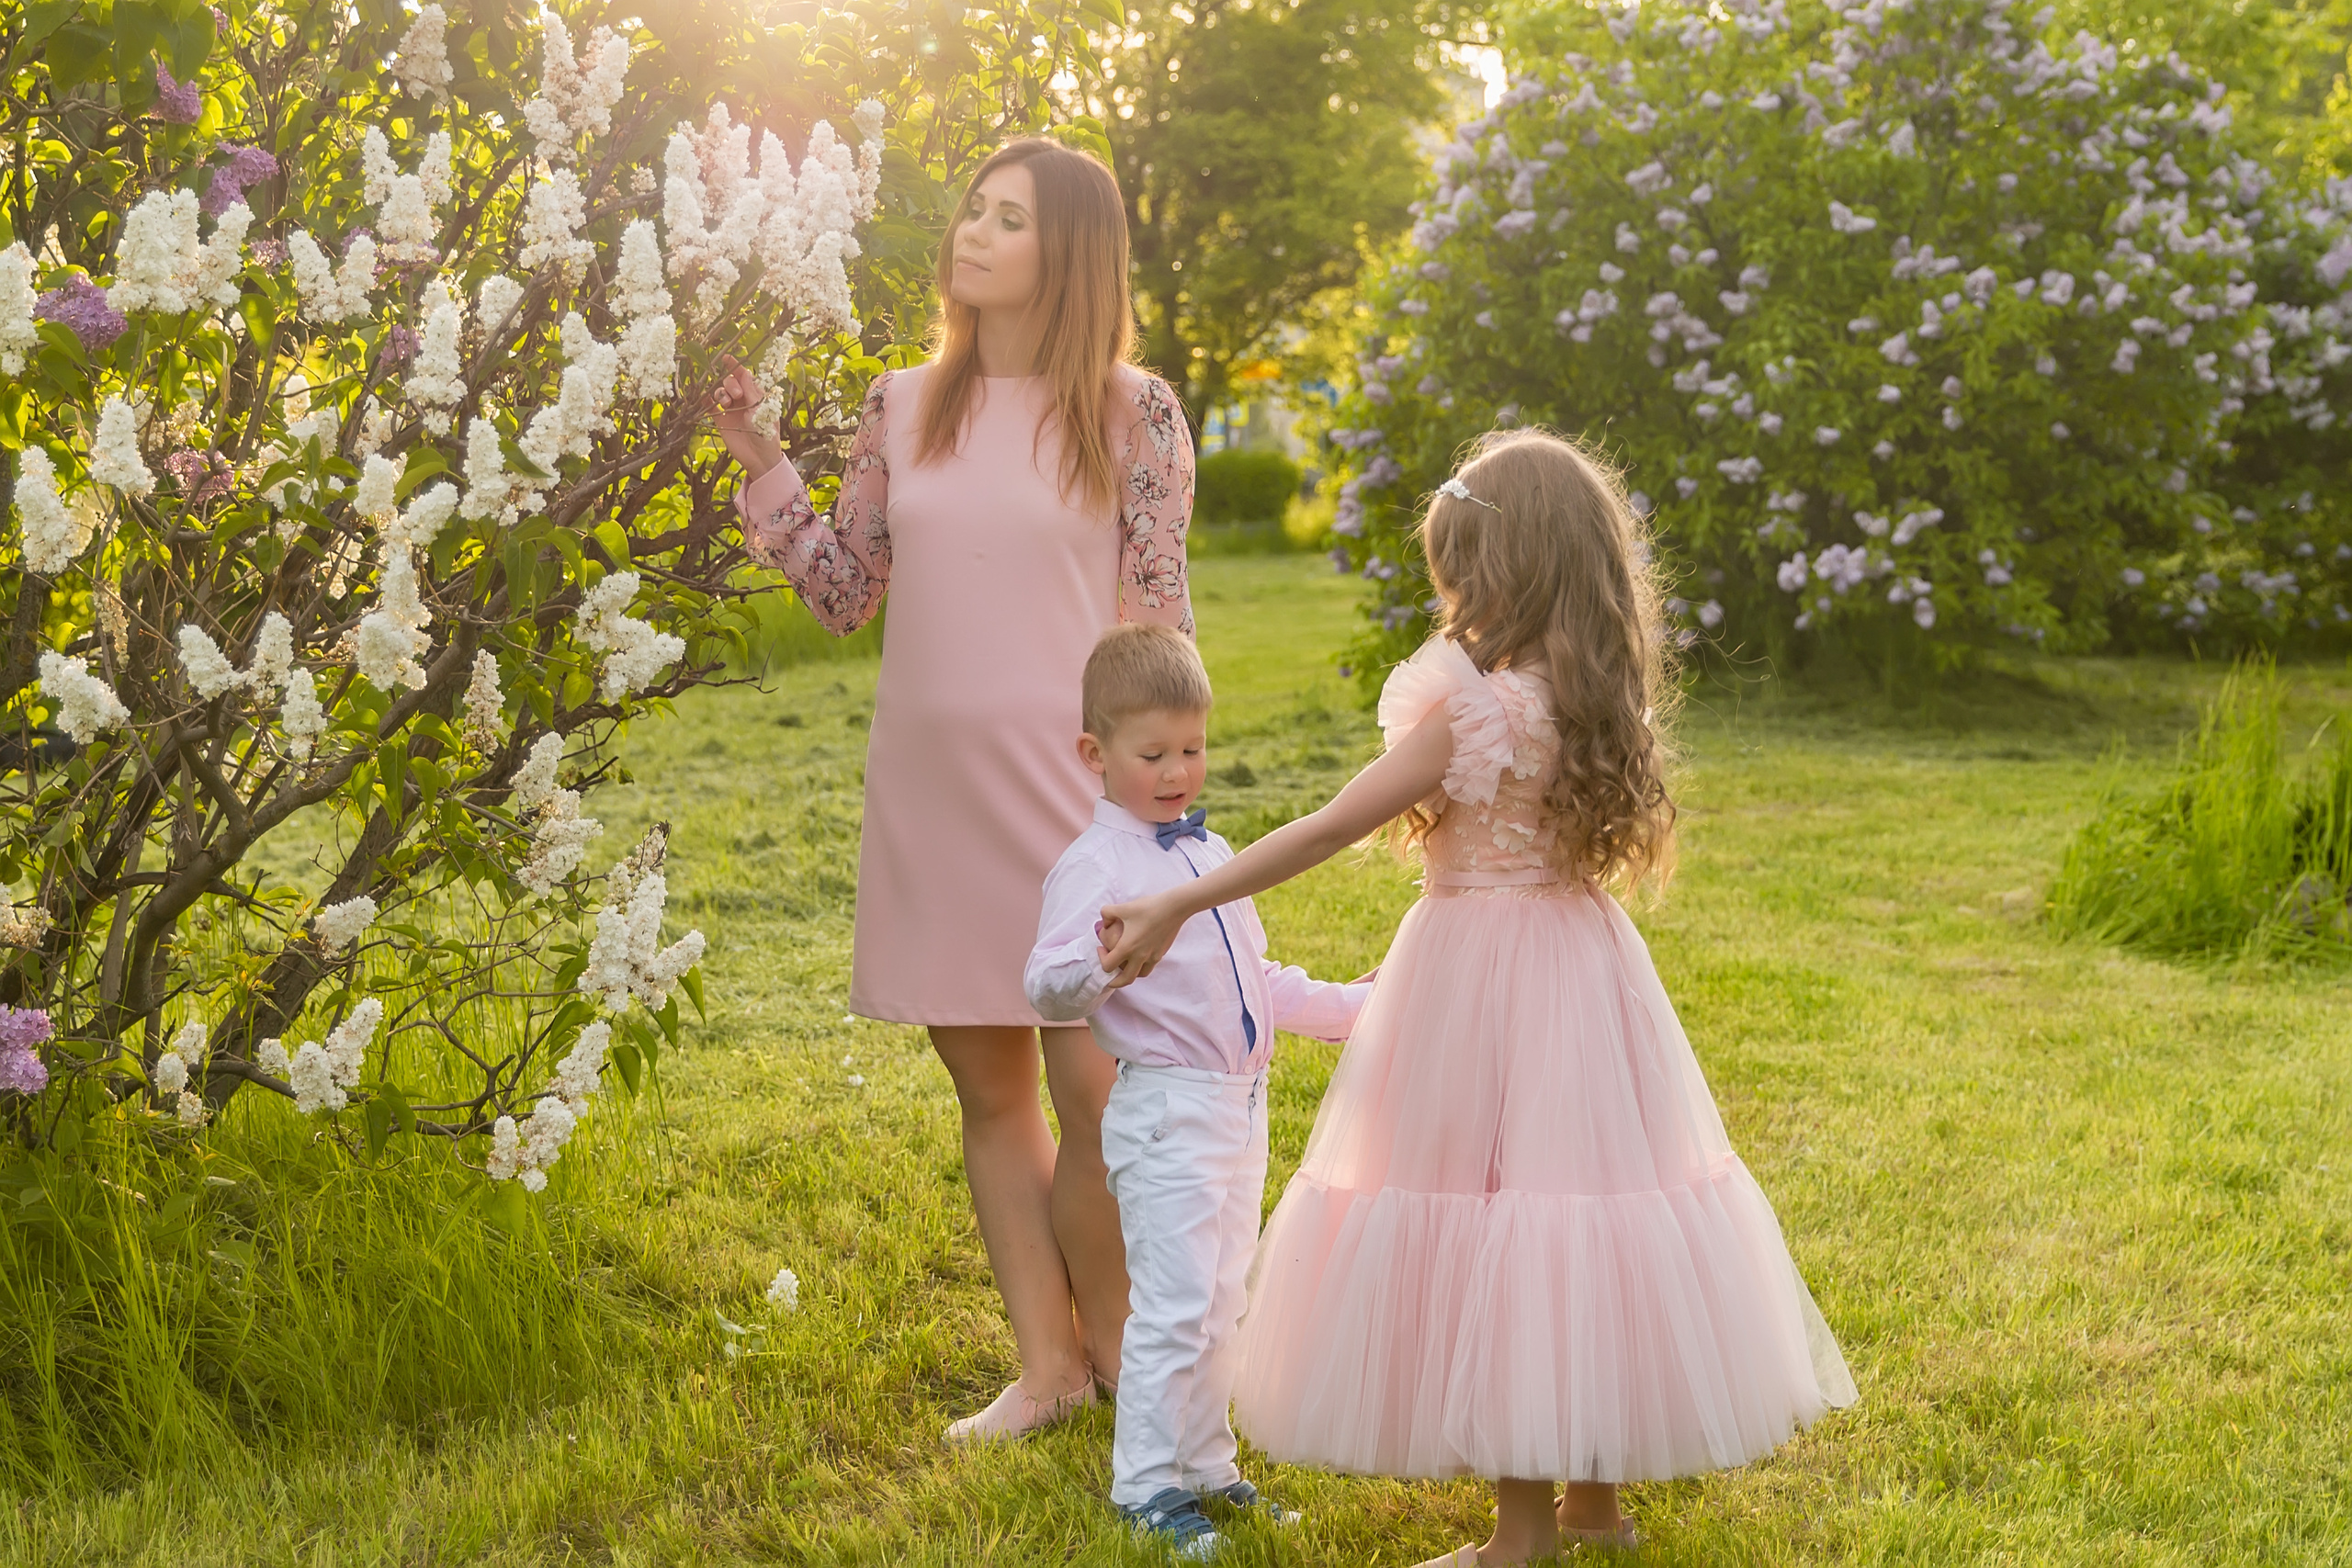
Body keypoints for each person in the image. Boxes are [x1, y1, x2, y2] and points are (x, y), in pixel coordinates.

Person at [1097, 429, 1857, 1564]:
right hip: (1584, 971)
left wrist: (1177, 902)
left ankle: (1519, 1537)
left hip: (1479, 978)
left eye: (1458, 578)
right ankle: (1594, 1512)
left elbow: (1330, 825)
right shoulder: (1595, 696)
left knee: (1506, 1220)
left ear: (1504, 575)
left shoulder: (1476, 711)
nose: (1450, 603)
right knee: (1588, 1212)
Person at [707, 138, 1196, 1441]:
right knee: (991, 1092)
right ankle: (1047, 1367)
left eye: (1010, 218)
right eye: (973, 211)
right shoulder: (903, 402)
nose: (973, 233)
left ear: (1070, 251)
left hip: (1075, 804)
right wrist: (761, 457)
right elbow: (841, 590)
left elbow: (1159, 622)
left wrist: (1164, 813)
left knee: (1094, 1093)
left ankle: (1132, 1353)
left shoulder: (1132, 410)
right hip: (933, 792)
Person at [1023, 625, 1371, 1560]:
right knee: (1173, 1305)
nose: (1179, 771)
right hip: (1168, 1110)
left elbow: (1258, 978)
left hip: (1238, 1107)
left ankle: (1207, 1464)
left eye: (1193, 748)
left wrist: (1360, 1008)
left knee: (1221, 1300)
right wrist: (1108, 966)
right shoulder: (1096, 868)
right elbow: (1044, 983)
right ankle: (1144, 1485)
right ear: (1095, 754)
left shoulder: (1206, 849)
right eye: (1154, 754)